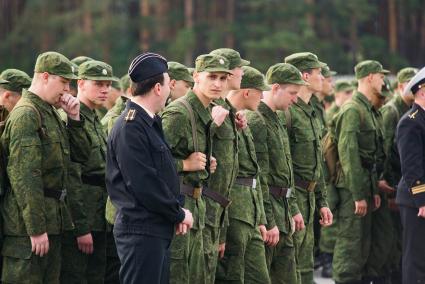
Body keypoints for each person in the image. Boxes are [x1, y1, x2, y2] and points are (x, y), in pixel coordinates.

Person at [0, 51, 90, 283]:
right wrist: (36, 229)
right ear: (45, 77)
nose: (67, 90)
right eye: (64, 82)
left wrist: (75, 118)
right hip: (26, 228)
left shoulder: (50, 112)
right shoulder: (26, 114)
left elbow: (80, 157)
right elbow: (25, 176)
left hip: (53, 221)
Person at [106, 52, 193, 284]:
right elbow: (144, 183)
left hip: (154, 228)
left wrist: (174, 212)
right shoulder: (131, 126)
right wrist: (178, 213)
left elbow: (162, 173)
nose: (169, 91)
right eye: (167, 84)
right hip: (140, 230)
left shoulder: (149, 122)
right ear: (157, 87)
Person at [161, 53, 228, 284]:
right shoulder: (179, 113)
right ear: (196, 76)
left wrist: (203, 164)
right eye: (212, 77)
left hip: (198, 205)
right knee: (179, 274)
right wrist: (186, 164)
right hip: (178, 202)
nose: (218, 84)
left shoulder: (206, 112)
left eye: (222, 78)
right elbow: (150, 163)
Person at [60, 60, 119, 283]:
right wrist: (81, 227)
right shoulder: (71, 118)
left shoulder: (94, 117)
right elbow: (72, 177)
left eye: (107, 84)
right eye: (98, 84)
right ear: (81, 83)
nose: (105, 90)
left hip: (101, 213)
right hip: (84, 216)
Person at [248, 63, 306, 284]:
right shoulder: (257, 120)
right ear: (275, 88)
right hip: (270, 214)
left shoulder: (279, 119)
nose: (295, 99)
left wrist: (293, 209)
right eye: (292, 93)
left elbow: (285, 172)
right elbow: (260, 176)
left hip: (284, 211)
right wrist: (269, 221)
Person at [332, 60, 387, 284]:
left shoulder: (367, 109)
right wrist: (357, 194)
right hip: (352, 189)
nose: (384, 81)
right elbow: (349, 155)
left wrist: (372, 190)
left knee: (363, 247)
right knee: (351, 248)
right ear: (369, 78)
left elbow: (370, 158)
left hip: (365, 183)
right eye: (381, 77)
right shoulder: (353, 109)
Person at [215, 66, 271, 284]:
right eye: (260, 91)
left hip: (250, 211)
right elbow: (222, 175)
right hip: (233, 211)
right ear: (247, 92)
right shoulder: (220, 117)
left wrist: (260, 218)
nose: (263, 96)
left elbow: (254, 173)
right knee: (232, 276)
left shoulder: (240, 120)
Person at [283, 52, 333, 284]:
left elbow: (317, 163)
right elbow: (283, 166)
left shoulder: (312, 111)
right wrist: (292, 206)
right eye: (318, 72)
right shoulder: (288, 112)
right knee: (292, 268)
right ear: (304, 76)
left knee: (306, 266)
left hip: (310, 196)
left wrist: (322, 202)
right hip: (293, 198)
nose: (322, 77)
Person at [205, 47, 249, 283]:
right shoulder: (209, 109)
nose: (242, 72)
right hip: (208, 202)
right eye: (239, 68)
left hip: (225, 204)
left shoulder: (228, 109)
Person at [396, 66, 425, 284]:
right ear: (422, 91)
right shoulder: (411, 121)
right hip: (416, 201)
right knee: (416, 258)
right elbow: (411, 166)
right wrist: (421, 200)